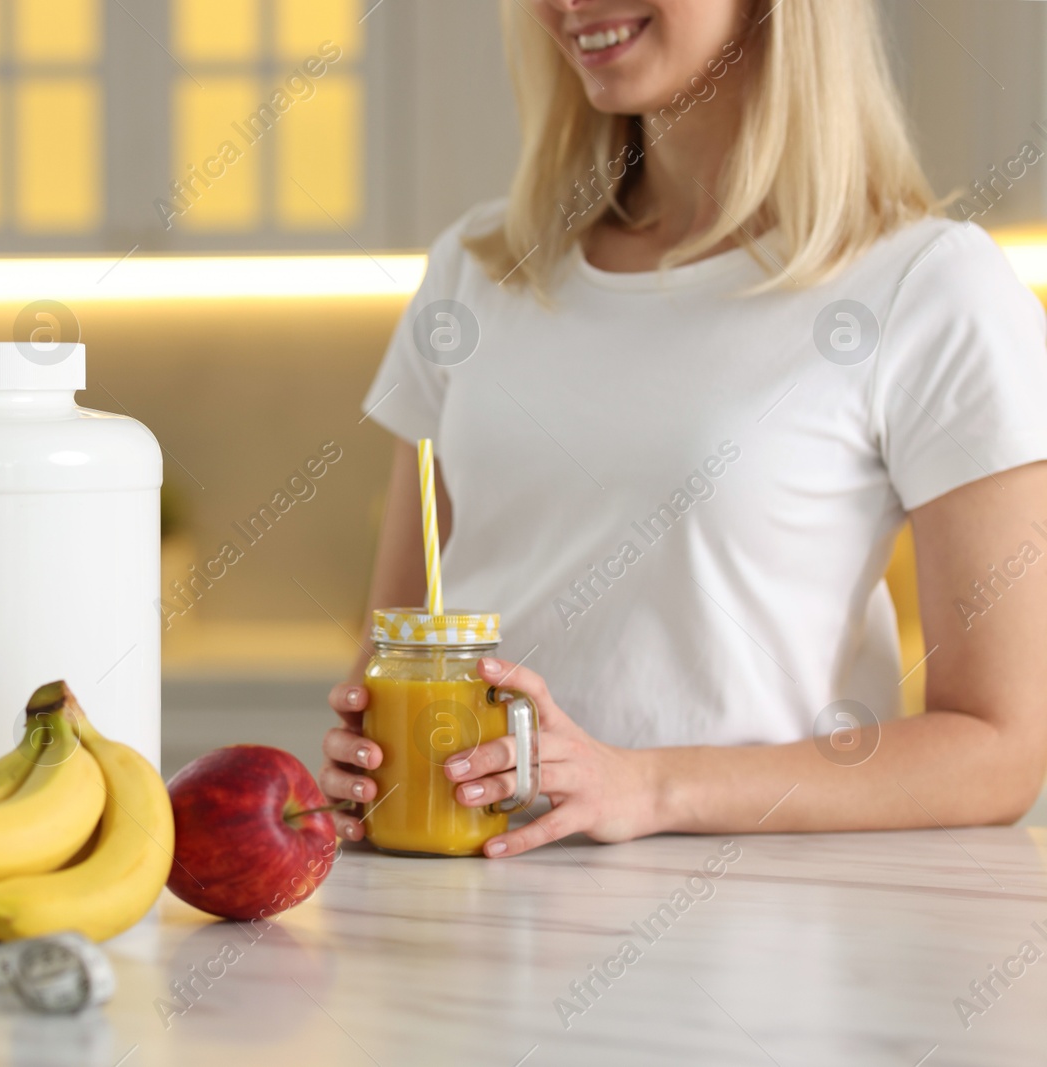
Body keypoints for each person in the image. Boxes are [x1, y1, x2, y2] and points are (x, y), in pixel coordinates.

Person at [320, 0, 1047, 856]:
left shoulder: (927, 286)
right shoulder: (477, 270)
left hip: (765, 934)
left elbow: (1001, 749)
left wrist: (646, 783)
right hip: (460, 916)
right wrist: (364, 757)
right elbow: (398, 639)